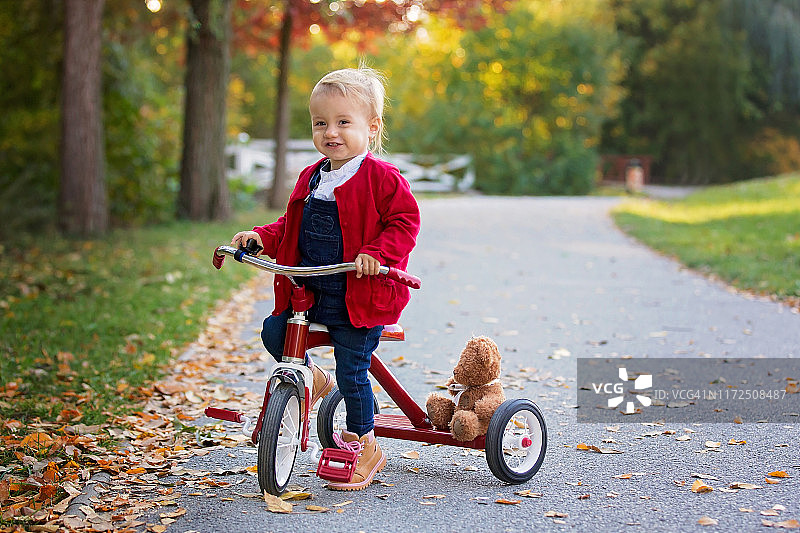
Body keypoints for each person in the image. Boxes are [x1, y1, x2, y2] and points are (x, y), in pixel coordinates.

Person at [231, 67, 420, 491]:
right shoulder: (313, 177)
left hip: (362, 295)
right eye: (321, 123)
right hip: (313, 291)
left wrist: (376, 254)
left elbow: (404, 222)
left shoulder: (382, 179)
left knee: (353, 369)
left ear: (372, 128)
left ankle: (365, 443)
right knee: (276, 332)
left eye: (343, 122)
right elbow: (291, 226)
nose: (330, 132)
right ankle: (313, 378)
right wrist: (261, 237)